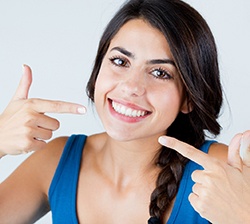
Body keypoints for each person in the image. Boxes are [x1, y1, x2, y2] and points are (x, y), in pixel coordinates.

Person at [0, 0, 248, 223]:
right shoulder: (56, 161)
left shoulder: (225, 173)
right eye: (120, 61)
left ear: (189, 98)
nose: (131, 87)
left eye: (160, 73)